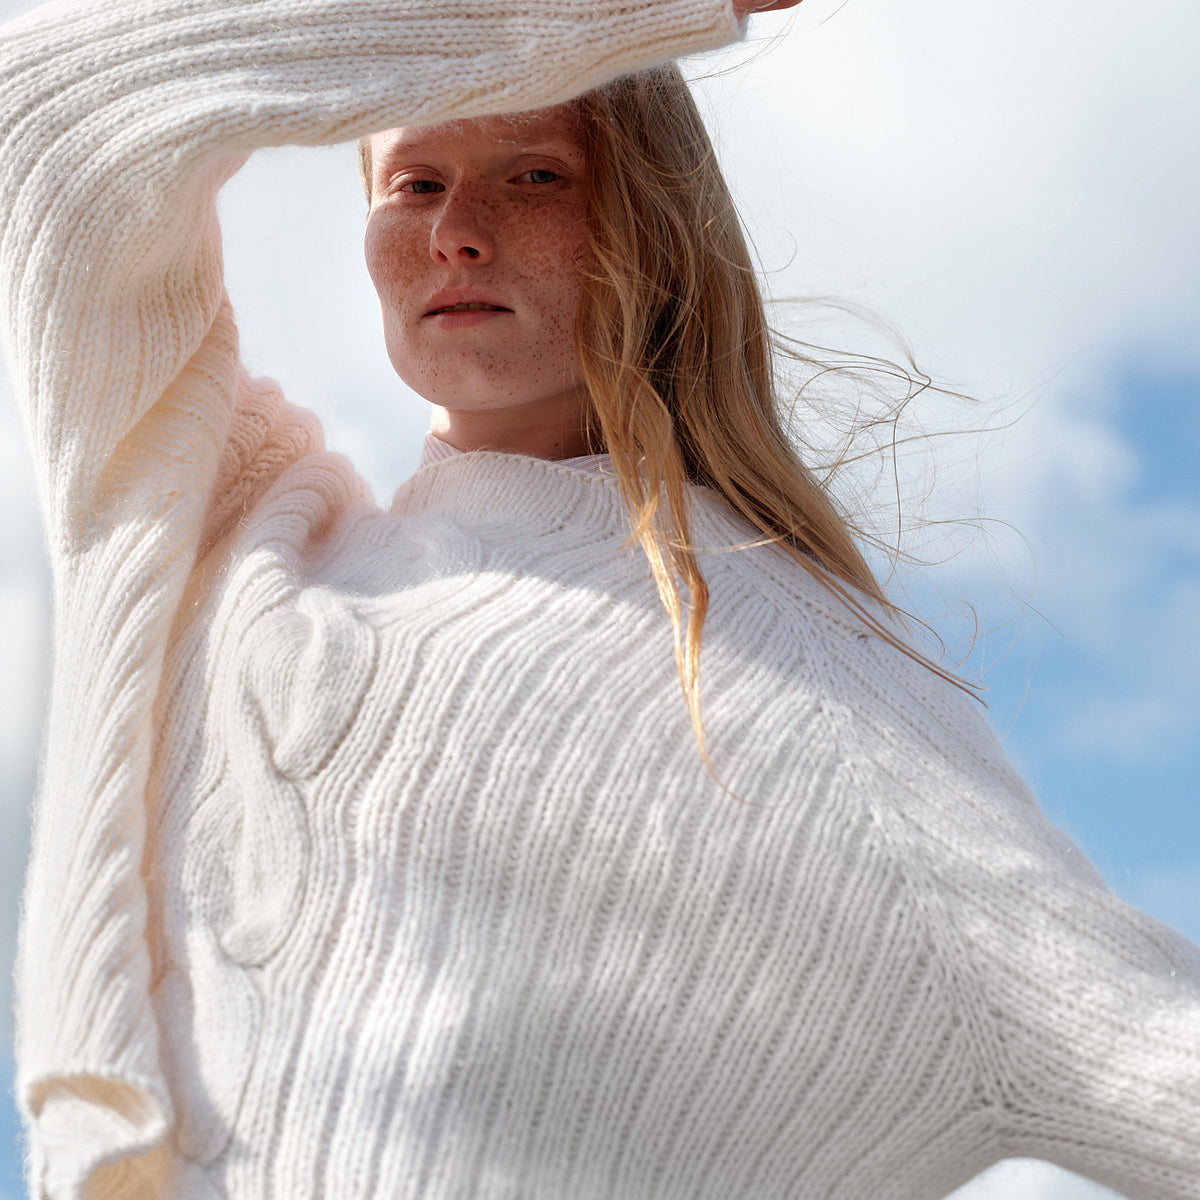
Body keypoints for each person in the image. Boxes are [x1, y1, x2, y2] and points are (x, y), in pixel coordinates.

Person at [0, 0, 1197, 1198]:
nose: (458, 232)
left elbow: (1145, 1050)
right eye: (413, 182)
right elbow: (48, 108)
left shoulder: (802, 679)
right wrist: (567, 13)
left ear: (653, 224)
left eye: (532, 174)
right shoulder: (234, 524)